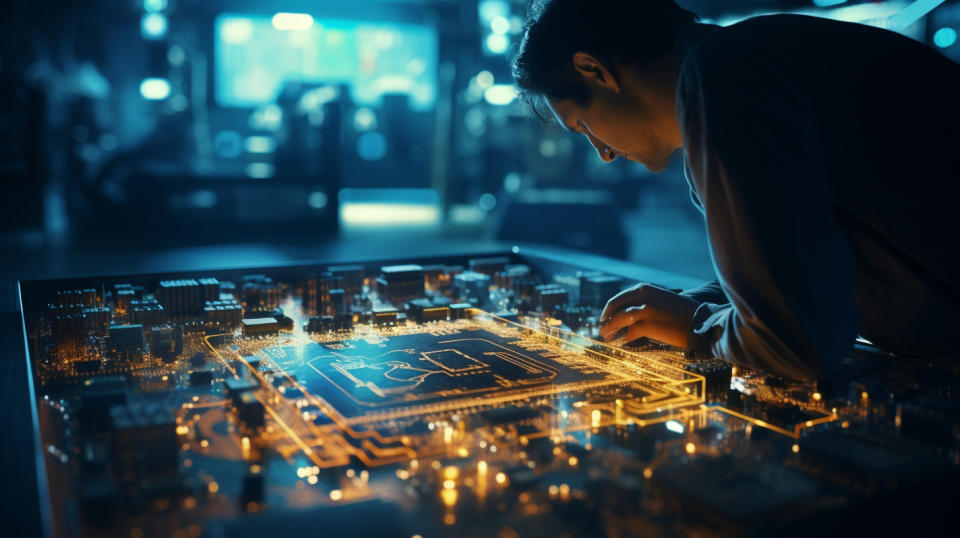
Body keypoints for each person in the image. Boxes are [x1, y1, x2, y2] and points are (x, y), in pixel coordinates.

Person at [512, 0, 960, 381]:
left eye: (583, 125)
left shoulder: (724, 76)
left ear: (595, 70)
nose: (603, 152)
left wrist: (696, 326)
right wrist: (696, 302)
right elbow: (809, 262)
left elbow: (796, 342)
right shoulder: (752, 57)